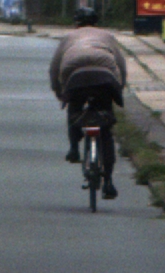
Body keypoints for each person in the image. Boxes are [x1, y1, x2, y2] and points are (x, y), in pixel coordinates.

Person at [48, 8, 127, 199]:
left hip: (75, 77)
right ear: (96, 23)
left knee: (74, 110)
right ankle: (108, 182)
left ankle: (74, 149)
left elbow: (55, 67)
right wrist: (118, 88)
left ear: (76, 23)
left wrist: (59, 93)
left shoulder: (68, 37)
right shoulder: (106, 36)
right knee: (105, 130)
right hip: (104, 76)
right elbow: (120, 63)